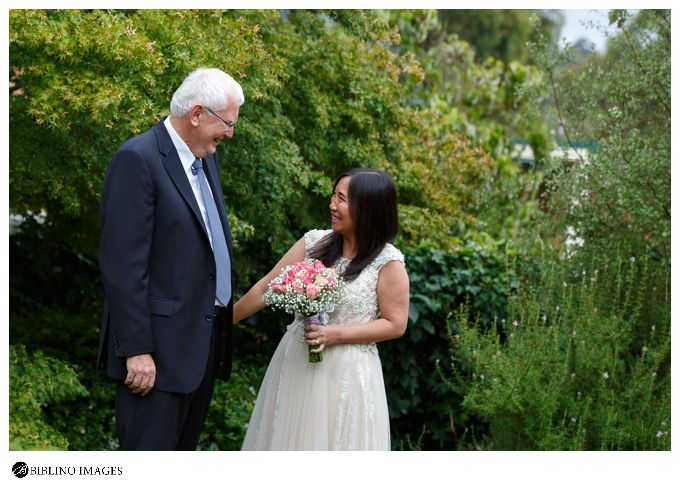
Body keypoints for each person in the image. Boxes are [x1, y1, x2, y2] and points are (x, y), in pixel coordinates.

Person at [97, 67, 244, 450]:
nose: (230, 134)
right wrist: (136, 350)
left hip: (199, 350)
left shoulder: (205, 156)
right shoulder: (137, 159)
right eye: (227, 123)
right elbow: (123, 268)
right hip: (153, 360)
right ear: (196, 114)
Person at [234, 168, 410, 450]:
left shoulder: (388, 263)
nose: (332, 204)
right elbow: (268, 287)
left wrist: (335, 334)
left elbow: (395, 324)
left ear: (367, 208)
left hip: (348, 375)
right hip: (296, 363)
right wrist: (221, 323)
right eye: (333, 195)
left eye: (341, 199)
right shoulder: (314, 242)